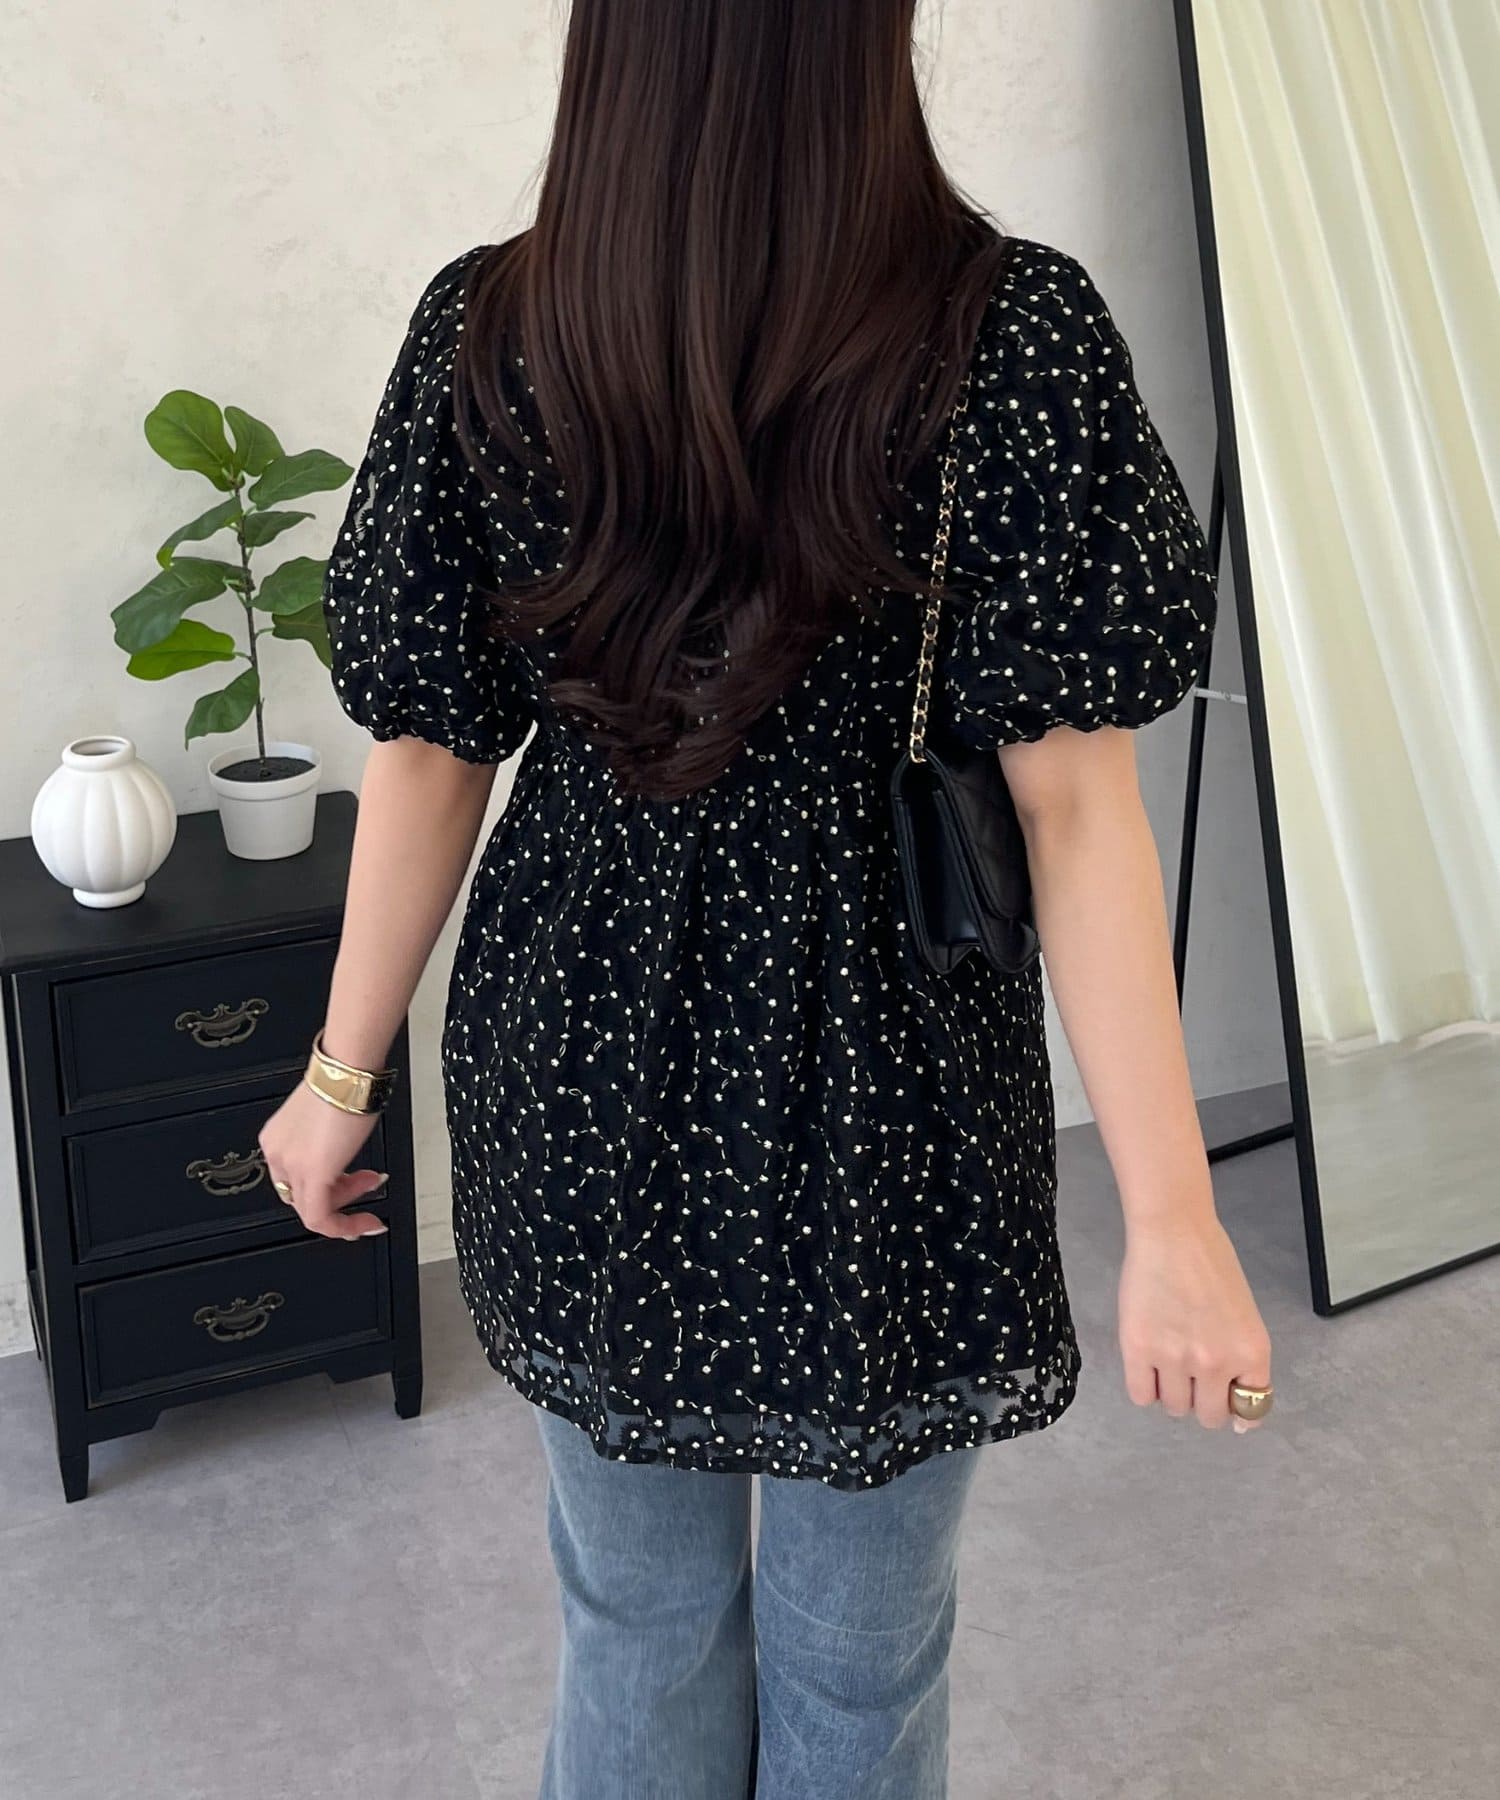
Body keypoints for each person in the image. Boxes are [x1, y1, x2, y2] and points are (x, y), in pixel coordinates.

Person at [259, 4, 1273, 1795]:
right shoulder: (1013, 331)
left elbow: (430, 755)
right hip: (887, 1084)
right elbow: (1075, 811)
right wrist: (1174, 1218)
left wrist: (339, 1077)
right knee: (859, 1664)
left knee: (633, 1625)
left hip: (583, 1059)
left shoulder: (494, 332)